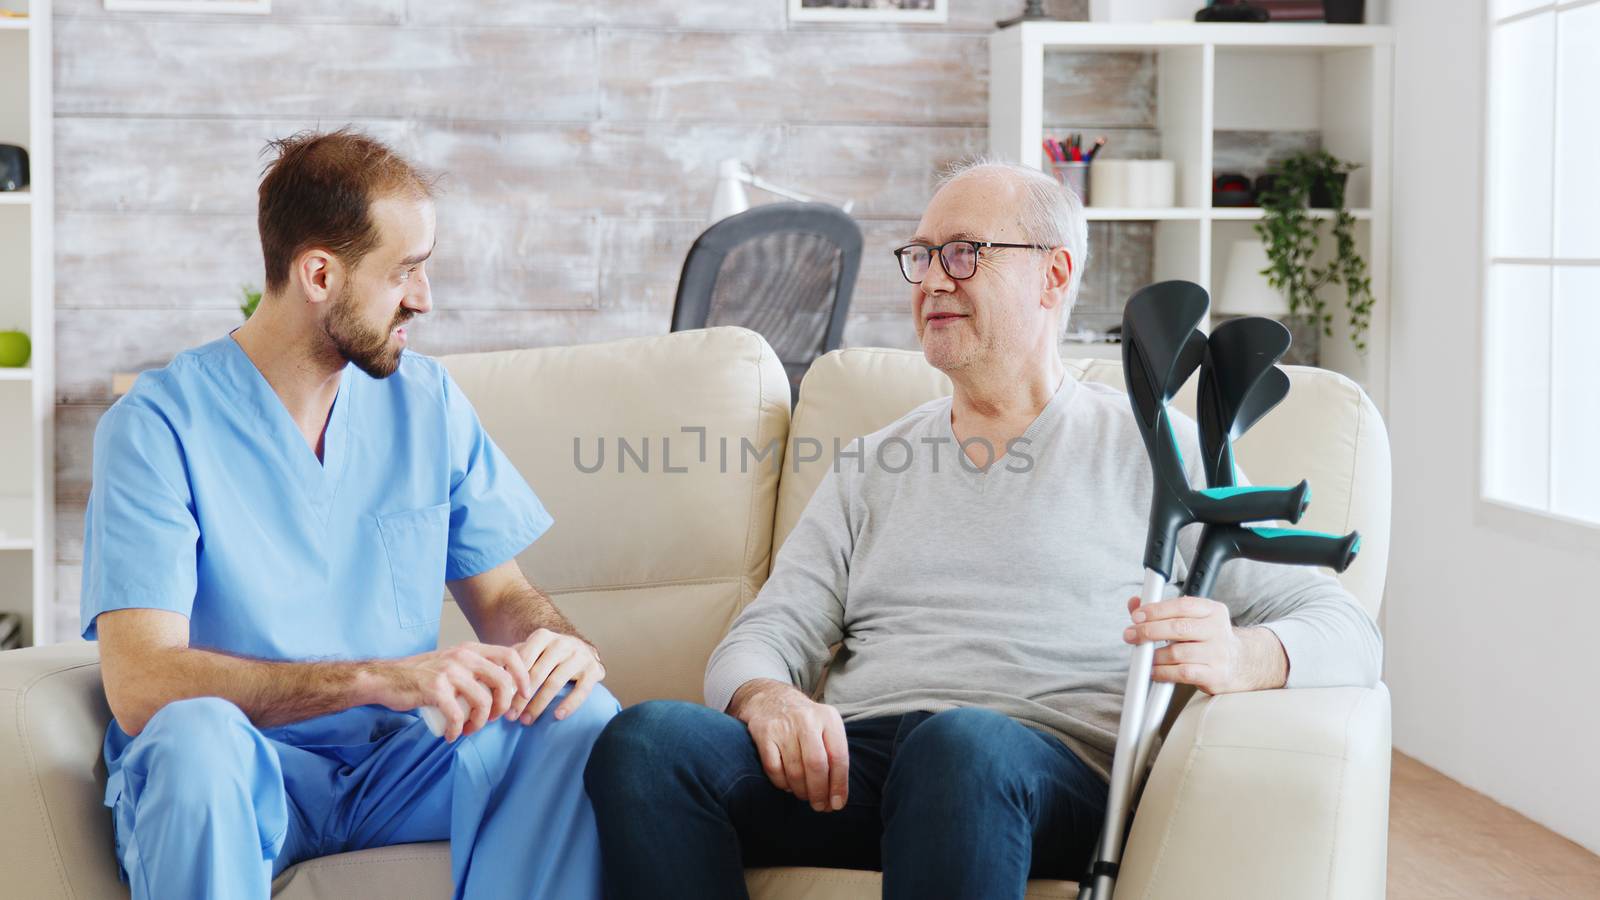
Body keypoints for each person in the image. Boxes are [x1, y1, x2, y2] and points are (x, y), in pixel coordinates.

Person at [583, 159, 1383, 900]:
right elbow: (766, 634)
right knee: (646, 741)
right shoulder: (872, 463)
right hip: (864, 767)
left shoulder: (1155, 448)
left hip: (1039, 770)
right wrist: (767, 697)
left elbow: (1345, 628)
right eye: (921, 256)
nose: (932, 279)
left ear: (1054, 274)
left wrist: (1243, 653)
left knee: (960, 747)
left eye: (964, 253)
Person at [83, 129, 616, 900]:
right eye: (406, 271)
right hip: (242, 767)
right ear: (320, 274)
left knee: (577, 713)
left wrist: (560, 648)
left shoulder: (426, 403)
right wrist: (377, 679)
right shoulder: (157, 426)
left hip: (395, 767)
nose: (424, 298)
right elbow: (140, 682)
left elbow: (502, 598)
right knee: (194, 737)